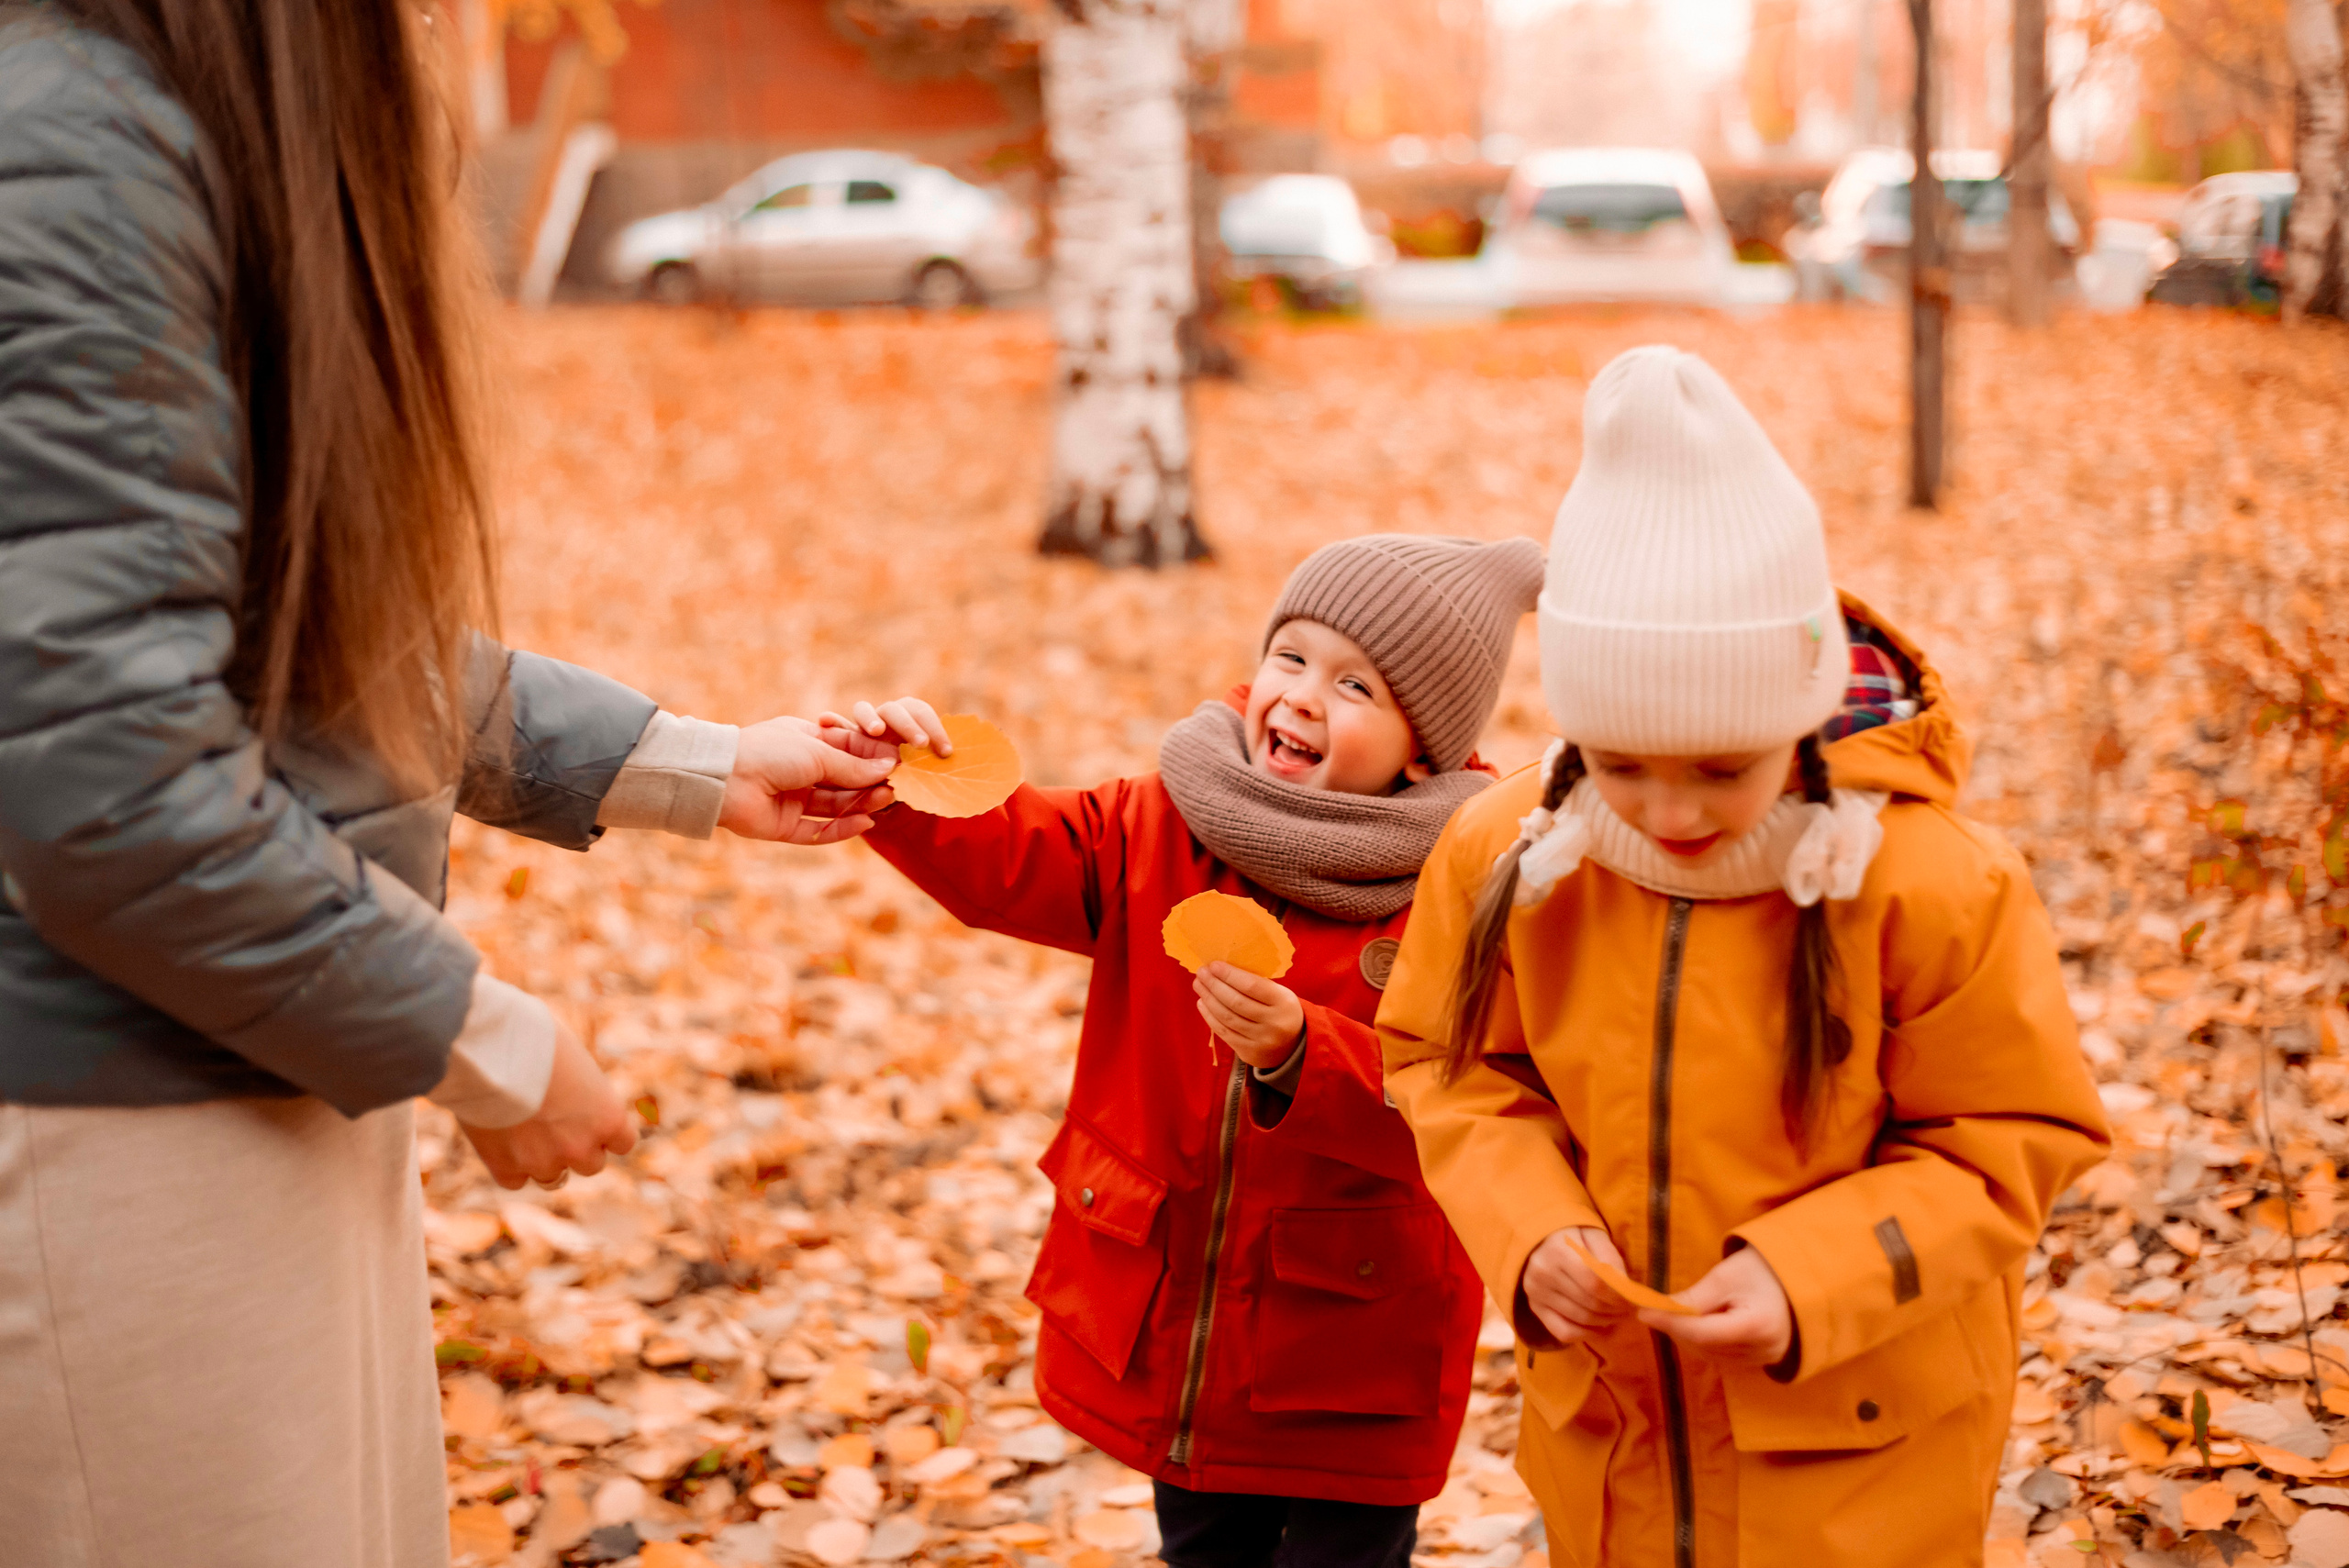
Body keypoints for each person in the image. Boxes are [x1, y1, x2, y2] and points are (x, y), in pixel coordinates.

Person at [0, 6, 894, 1564]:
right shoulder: (68, 141)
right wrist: (482, 1036)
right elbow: (99, 771)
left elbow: (300, 631)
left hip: (243, 1051)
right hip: (113, 1113)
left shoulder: (158, 111)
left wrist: (687, 759)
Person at [1375, 347, 2111, 1568]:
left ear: (1802, 710)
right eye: (1622, 764)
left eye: (1723, 767)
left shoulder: (1926, 880)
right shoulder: (1508, 850)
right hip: (1615, 1441)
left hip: (1861, 1457)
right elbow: (1447, 1068)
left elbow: (2008, 1139)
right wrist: (1530, 1229)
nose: (1669, 812)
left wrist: (1806, 1275)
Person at [829, 534, 1543, 1568]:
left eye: (1354, 684)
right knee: (1204, 1547)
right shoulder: (1162, 819)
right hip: (1177, 1329)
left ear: (1423, 745)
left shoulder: (1458, 886)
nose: (1302, 695)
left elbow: (1469, 1104)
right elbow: (1018, 855)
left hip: (1351, 1354)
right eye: (1291, 657)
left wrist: (1310, 1053)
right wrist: (903, 785)